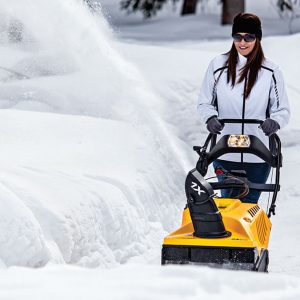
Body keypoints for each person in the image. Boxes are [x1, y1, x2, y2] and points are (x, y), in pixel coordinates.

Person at [197, 13, 290, 203]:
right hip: (225, 151)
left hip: (258, 155)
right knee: (228, 204)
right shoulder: (218, 66)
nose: (242, 42)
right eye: (237, 36)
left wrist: (274, 122)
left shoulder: (271, 71)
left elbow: (283, 110)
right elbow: (204, 102)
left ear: (258, 38)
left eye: (249, 37)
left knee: (248, 205)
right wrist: (210, 118)